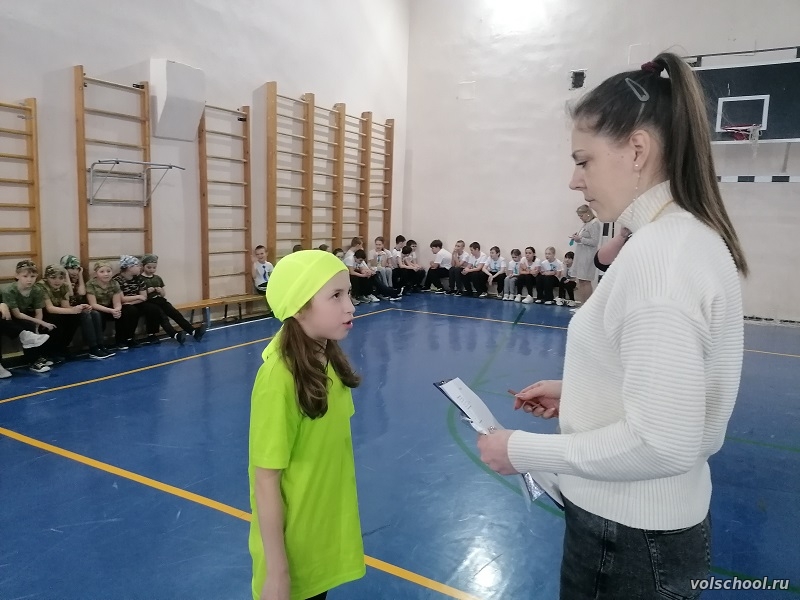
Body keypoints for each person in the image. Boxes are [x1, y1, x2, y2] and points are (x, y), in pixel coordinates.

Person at [477, 53, 747, 599]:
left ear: (637, 151)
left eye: (584, 161)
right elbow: (674, 396)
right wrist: (581, 393)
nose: (574, 180)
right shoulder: (683, 238)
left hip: (628, 542)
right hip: (648, 534)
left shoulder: (660, 258)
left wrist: (523, 451)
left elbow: (660, 444)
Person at [248, 250, 365, 600]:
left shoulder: (328, 360)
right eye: (336, 296)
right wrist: (277, 572)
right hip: (292, 548)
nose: (350, 306)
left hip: (322, 533)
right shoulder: (278, 378)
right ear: (299, 308)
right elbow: (265, 479)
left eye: (348, 293)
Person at [570, 204, 602, 303]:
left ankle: (587, 305)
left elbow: (595, 242)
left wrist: (581, 239)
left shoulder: (594, 223)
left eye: (581, 215)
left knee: (586, 281)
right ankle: (581, 304)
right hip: (581, 255)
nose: (580, 218)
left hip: (588, 256)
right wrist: (577, 237)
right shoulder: (586, 224)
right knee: (580, 280)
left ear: (587, 213)